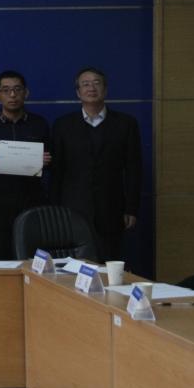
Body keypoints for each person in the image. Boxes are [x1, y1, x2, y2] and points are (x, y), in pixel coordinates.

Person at [51, 67, 141, 261]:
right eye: (85, 84)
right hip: (73, 207)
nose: (91, 88)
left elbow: (134, 168)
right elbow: (57, 171)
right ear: (78, 92)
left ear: (105, 89)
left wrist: (131, 208)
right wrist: (56, 209)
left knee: (109, 262)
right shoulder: (63, 125)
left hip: (111, 207)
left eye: (96, 83)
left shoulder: (126, 123)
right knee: (74, 265)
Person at [0, 70, 51, 259]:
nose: (12, 95)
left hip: (32, 200)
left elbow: (55, 160)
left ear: (26, 93)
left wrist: (47, 161)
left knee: (32, 256)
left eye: (17, 89)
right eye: (6, 90)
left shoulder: (39, 124)